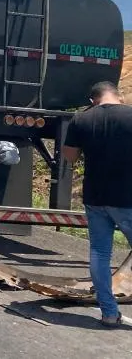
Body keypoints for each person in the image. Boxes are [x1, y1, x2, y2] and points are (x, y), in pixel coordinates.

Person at [62, 81, 132, 327]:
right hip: (127, 197)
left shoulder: (81, 119)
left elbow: (70, 156)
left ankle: (109, 313)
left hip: (95, 198)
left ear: (92, 100)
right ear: (118, 95)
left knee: (100, 254)